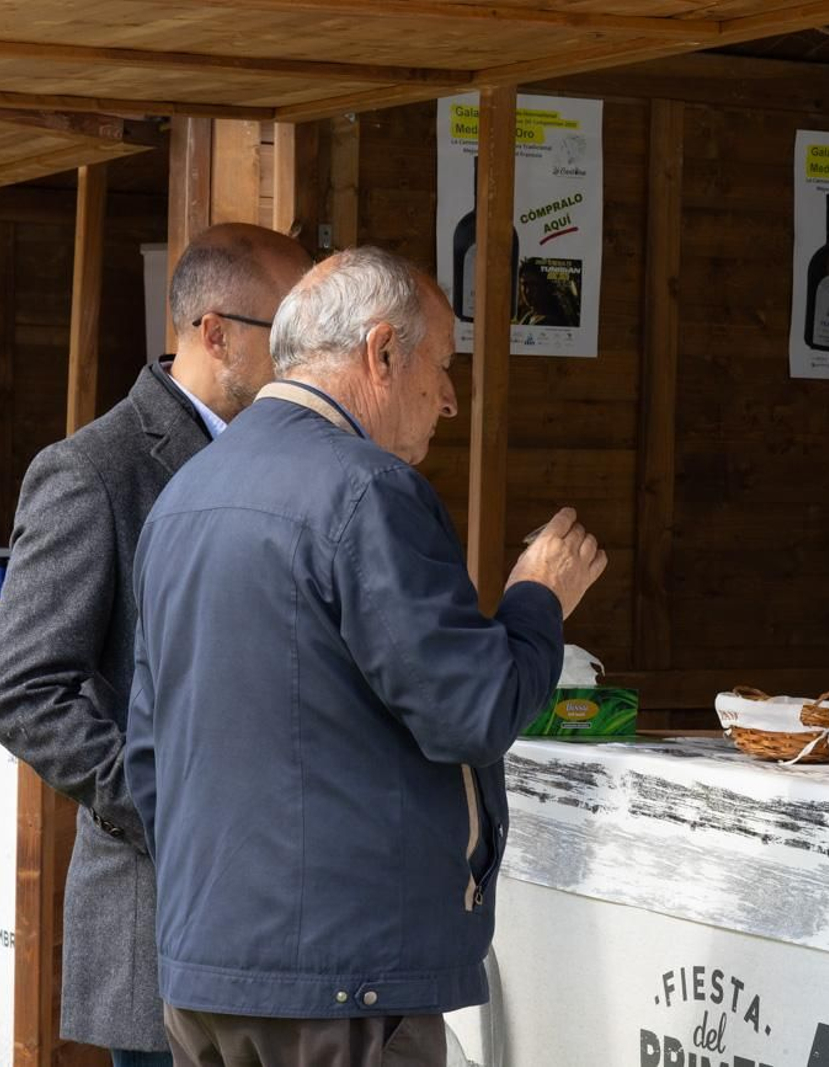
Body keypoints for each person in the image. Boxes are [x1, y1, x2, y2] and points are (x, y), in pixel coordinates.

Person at [124, 246, 607, 1066]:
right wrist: (539, 598)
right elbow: (473, 710)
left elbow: (147, 754)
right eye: (443, 367)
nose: (450, 400)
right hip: (342, 980)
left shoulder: (184, 494)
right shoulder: (367, 490)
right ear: (382, 351)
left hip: (205, 967)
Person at [0, 222, 312, 1066]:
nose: (314, 353)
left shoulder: (308, 459)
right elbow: (26, 690)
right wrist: (171, 804)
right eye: (294, 331)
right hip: (159, 924)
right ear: (215, 333)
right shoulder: (92, 469)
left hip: (289, 930)